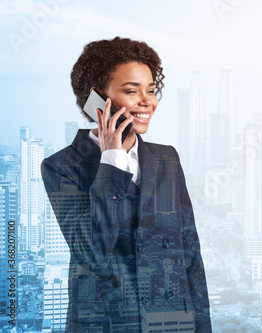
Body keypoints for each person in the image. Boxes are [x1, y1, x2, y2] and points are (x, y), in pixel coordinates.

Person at [41, 37, 212, 332]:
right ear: (97, 100)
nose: (147, 101)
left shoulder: (166, 159)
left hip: (173, 321)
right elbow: (91, 251)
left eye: (151, 90)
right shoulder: (62, 167)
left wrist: (203, 326)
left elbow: (190, 254)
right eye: (132, 91)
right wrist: (111, 160)